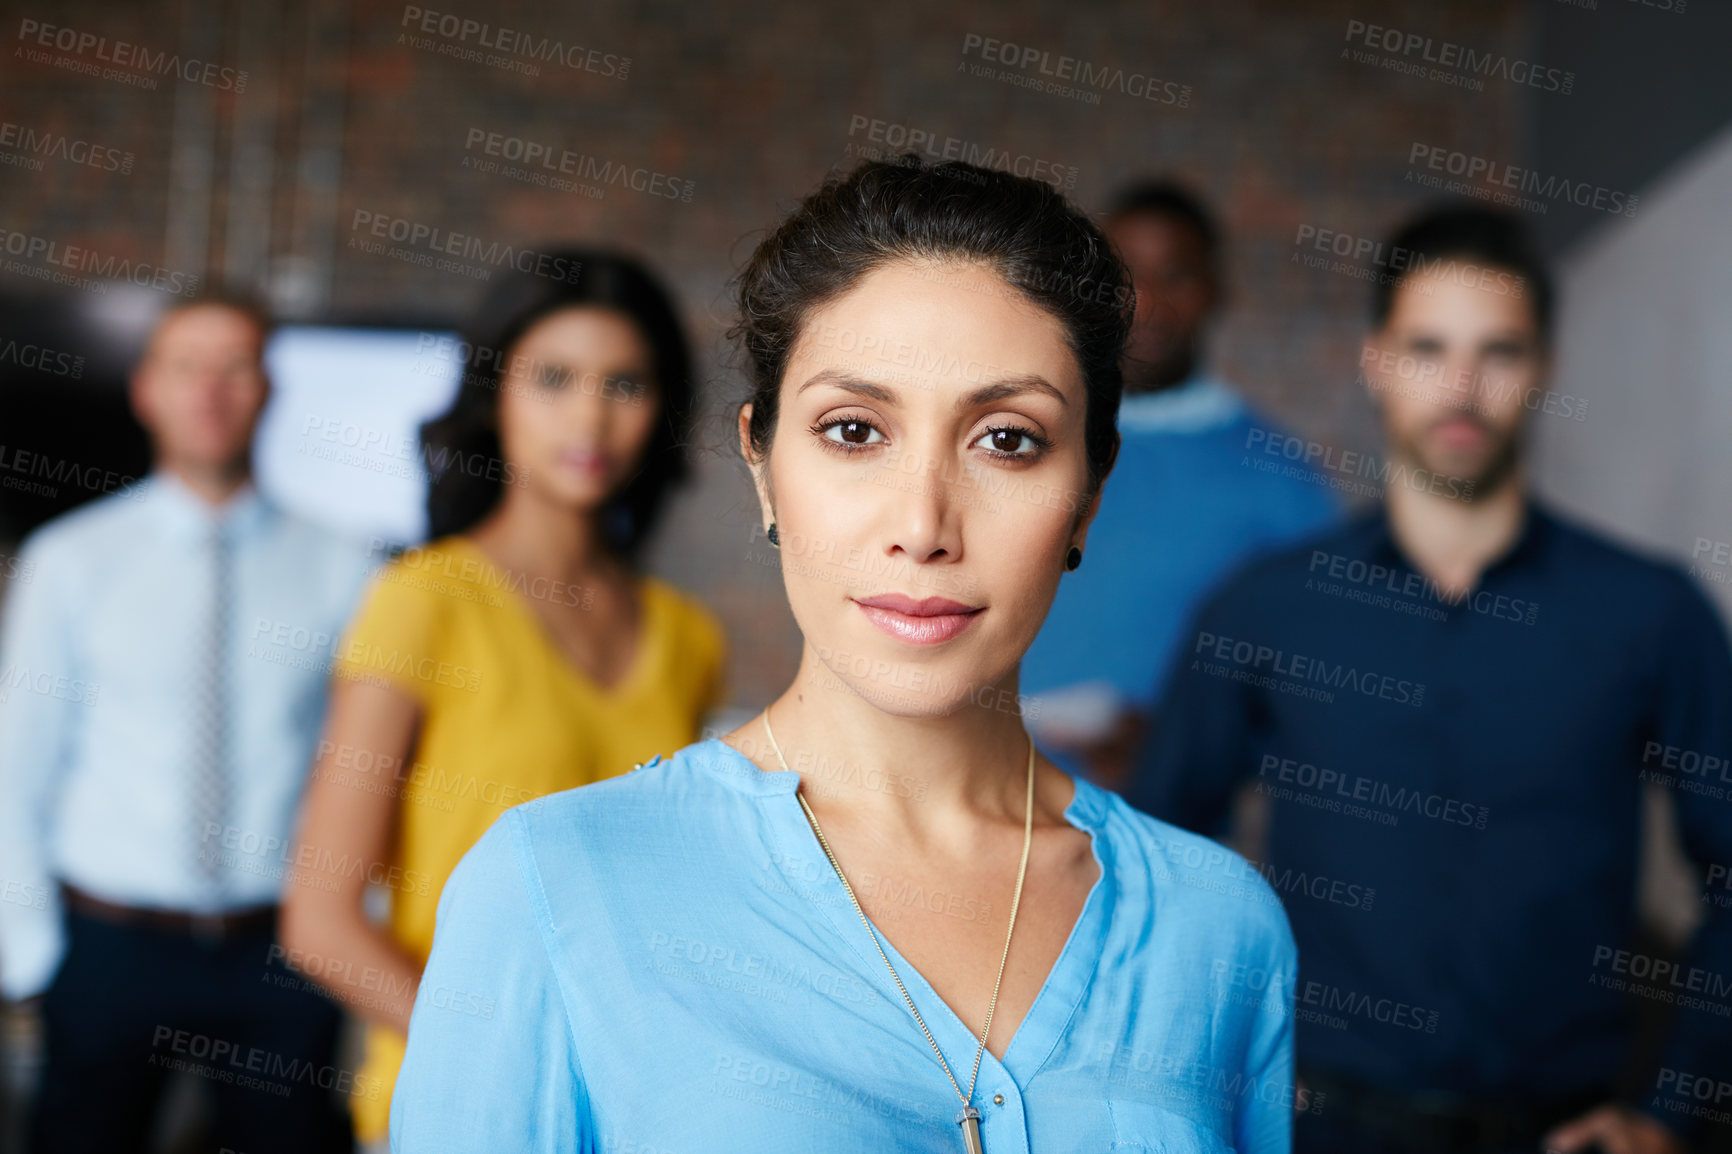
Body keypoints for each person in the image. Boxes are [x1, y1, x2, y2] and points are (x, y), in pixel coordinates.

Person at [389, 157, 1299, 1153]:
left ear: (1088, 489)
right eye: (853, 429)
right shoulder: (551, 885)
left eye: (1006, 439)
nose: (922, 525)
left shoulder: (1218, 927)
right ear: (763, 467)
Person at [1134, 206, 1732, 1154]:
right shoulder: (1269, 608)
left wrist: (1671, 1114)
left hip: (1569, 1129)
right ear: (1375, 361)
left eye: (1499, 351)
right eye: (1427, 348)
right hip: (1319, 1126)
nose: (1462, 387)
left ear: (1543, 369)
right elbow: (1154, 861)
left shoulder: (1651, 614)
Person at [279, 250, 726, 1150]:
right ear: (497, 395)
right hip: (458, 1104)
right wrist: (511, 1056)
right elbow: (321, 924)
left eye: (625, 384)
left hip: (633, 1113)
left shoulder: (688, 639)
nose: (590, 416)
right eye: (555, 378)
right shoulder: (425, 601)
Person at [0, 293, 375, 1153]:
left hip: (279, 952)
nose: (210, 390)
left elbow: (359, 768)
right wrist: (30, 959)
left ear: (268, 389)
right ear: (148, 390)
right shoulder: (70, 560)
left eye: (235, 366)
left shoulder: (345, 565)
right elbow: (16, 769)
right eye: (186, 366)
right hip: (103, 946)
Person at [1020, 182, 1339, 791]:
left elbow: (1319, 694)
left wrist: (1181, 738)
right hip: (982, 824)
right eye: (1124, 275)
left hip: (1169, 842)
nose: (1147, 301)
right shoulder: (1019, 442)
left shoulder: (1279, 482)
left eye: (1177, 275)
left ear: (1217, 291)